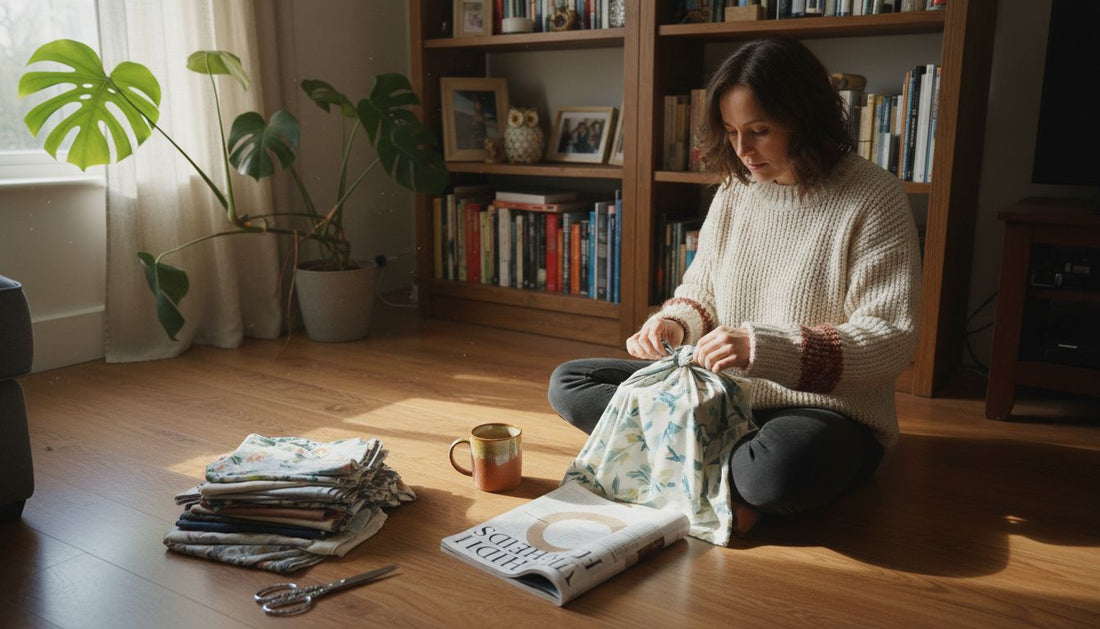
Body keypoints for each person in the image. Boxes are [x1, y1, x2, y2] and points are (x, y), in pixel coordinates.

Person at [547, 36, 921, 538]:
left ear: (805, 119)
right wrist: (673, 324)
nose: (742, 151)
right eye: (730, 131)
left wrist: (763, 347)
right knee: (570, 384)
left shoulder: (874, 197)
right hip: (721, 398)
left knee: (775, 472)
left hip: (821, 410)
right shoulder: (736, 189)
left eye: (760, 131)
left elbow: (891, 337)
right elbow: (702, 287)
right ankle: (722, 483)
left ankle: (686, 465)